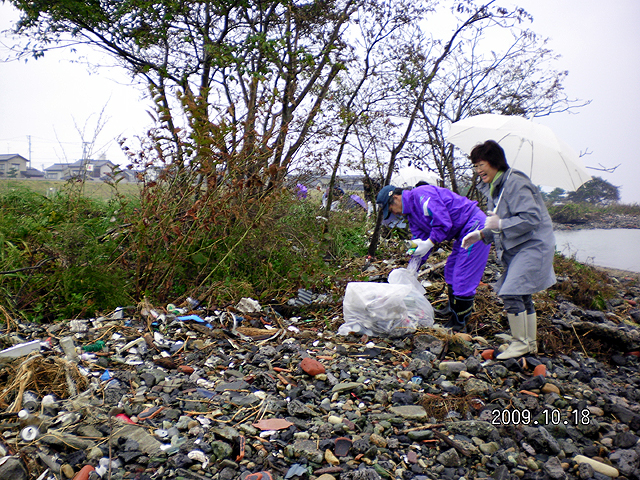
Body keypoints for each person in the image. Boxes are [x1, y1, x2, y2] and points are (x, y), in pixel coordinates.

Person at [462, 140, 556, 359]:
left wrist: (501, 225)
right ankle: (529, 342)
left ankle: (520, 342)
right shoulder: (496, 186)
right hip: (518, 246)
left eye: (481, 164)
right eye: (475, 166)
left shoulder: (515, 182)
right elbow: (499, 220)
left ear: (494, 162)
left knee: (511, 289)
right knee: (522, 292)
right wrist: (481, 235)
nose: (478, 171)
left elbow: (530, 219)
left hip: (533, 245)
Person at [377, 184, 491, 332]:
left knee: (463, 274)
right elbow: (420, 242)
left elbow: (443, 222)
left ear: (396, 198)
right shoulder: (412, 216)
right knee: (450, 269)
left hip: (474, 226)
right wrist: (413, 268)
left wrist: (430, 242)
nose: (394, 213)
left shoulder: (422, 195)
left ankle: (460, 322)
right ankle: (453, 307)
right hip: (462, 233)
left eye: (391, 209)